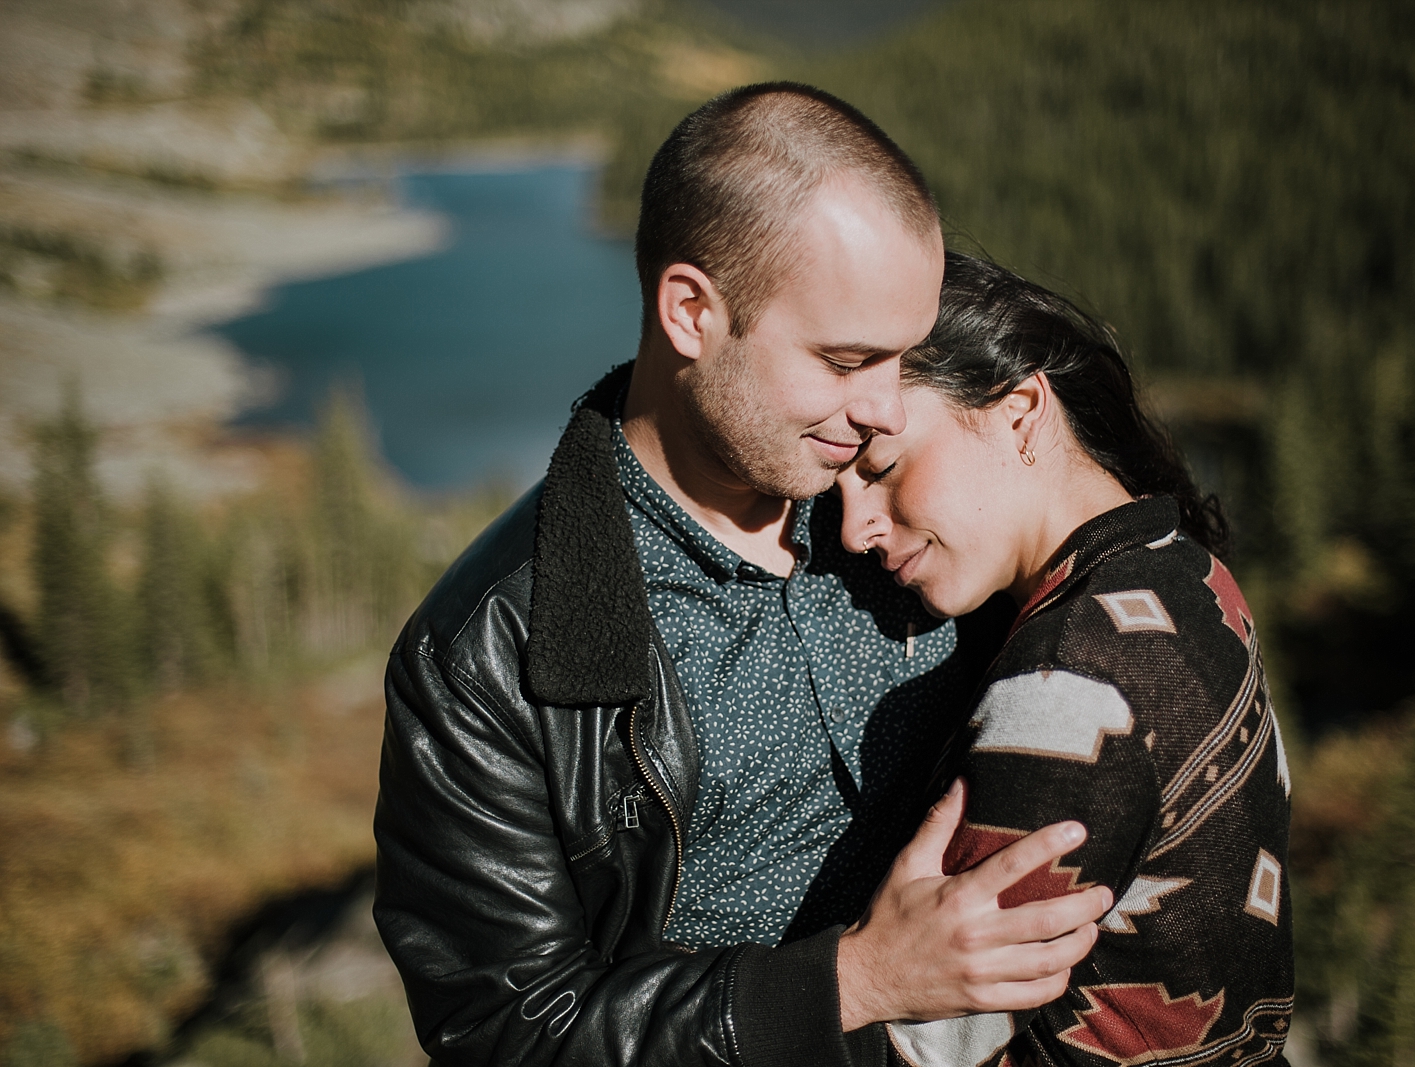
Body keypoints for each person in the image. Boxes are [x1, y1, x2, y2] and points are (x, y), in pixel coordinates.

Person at [372, 86, 1111, 1067]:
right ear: (691, 312)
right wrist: (860, 978)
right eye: (846, 359)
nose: (887, 410)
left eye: (901, 357)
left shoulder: (914, 504)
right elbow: (506, 1032)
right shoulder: (484, 653)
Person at [836, 253, 1296, 1066]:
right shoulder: (1188, 566)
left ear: (1020, 411)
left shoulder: (1065, 684)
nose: (856, 528)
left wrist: (850, 977)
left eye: (883, 468)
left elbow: (932, 1042)